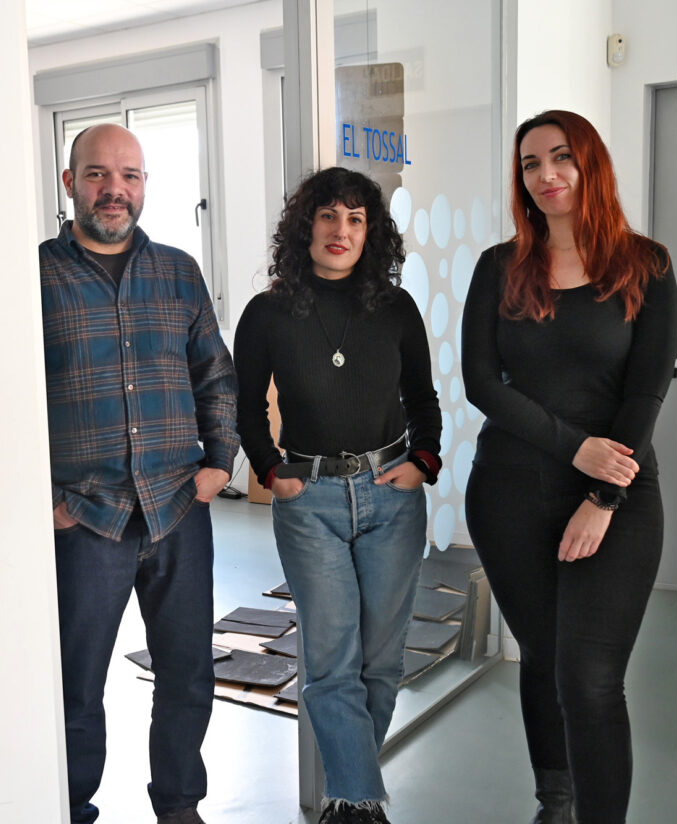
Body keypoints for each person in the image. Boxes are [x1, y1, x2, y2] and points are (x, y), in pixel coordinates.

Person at [461, 110, 677, 824]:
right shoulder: (499, 267)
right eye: (530, 163)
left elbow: (646, 391)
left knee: (588, 679)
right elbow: (482, 383)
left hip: (617, 494)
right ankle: (555, 804)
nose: (546, 175)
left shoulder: (647, 265)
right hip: (509, 493)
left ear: (591, 165)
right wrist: (573, 446)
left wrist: (602, 494)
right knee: (544, 655)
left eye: (561, 157)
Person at [40, 123, 238, 824]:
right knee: (76, 685)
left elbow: (214, 374)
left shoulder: (178, 271)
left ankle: (179, 806)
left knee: (188, 674)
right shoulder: (34, 276)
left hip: (177, 505)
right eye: (97, 174)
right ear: (70, 183)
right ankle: (70, 808)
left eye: (129, 175)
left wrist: (220, 463)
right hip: (85, 516)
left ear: (145, 185)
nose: (114, 189)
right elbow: (1, 395)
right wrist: (46, 499)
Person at [234, 166, 443, 824]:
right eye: (328, 215)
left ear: (370, 232)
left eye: (355, 219)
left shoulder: (395, 308)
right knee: (330, 662)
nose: (341, 230)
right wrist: (271, 471)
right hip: (310, 504)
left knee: (380, 662)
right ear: (306, 226)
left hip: (392, 498)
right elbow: (245, 408)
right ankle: (359, 803)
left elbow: (423, 399)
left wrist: (424, 462)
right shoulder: (267, 313)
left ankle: (349, 799)